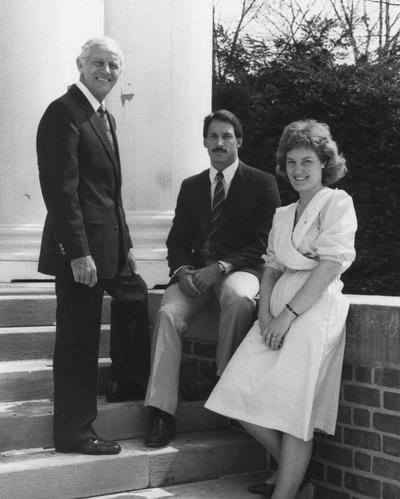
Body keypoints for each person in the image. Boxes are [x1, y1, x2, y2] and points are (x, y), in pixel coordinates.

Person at [205, 119, 357, 499]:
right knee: (235, 394)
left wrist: (289, 314)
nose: (298, 170)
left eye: (307, 161)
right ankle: (294, 477)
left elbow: (330, 265)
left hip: (314, 307)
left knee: (293, 413)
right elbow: (270, 267)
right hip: (277, 306)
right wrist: (267, 316)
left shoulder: (336, 203)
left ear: (325, 164)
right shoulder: (283, 212)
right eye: (291, 162)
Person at [37, 36, 150, 455]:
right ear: (80, 65)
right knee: (78, 340)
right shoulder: (63, 113)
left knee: (135, 298)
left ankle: (127, 383)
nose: (106, 71)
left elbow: (111, 192)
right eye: (98, 63)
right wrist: (78, 252)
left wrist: (128, 244)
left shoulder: (103, 117)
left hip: (111, 246)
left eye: (114, 65)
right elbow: (61, 192)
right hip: (80, 251)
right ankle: (74, 432)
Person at [143, 109, 281, 448]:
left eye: (227, 136)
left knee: (239, 297)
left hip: (241, 270)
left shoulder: (262, 183)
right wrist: (181, 271)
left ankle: (224, 384)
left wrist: (219, 267)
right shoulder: (191, 187)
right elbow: (176, 241)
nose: (219, 143)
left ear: (239, 142)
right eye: (213, 136)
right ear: (205, 141)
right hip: (196, 274)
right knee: (166, 314)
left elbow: (264, 242)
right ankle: (161, 410)